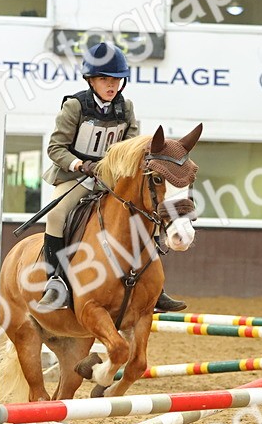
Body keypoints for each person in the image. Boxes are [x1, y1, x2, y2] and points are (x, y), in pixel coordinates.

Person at [36, 41, 187, 313]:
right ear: (90, 80)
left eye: (116, 80)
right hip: (76, 176)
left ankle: (155, 287)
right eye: (104, 79)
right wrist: (81, 165)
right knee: (57, 214)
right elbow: (55, 148)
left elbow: (130, 147)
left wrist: (115, 169)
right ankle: (55, 280)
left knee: (144, 210)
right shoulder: (74, 107)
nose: (111, 85)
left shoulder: (125, 108)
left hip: (111, 178)